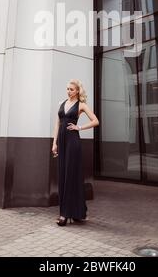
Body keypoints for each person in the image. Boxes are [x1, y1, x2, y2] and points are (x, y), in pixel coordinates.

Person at [52, 79, 99, 226]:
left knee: (71, 177)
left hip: (73, 142)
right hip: (62, 142)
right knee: (63, 176)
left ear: (77, 91)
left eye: (71, 89)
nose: (68, 91)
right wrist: (54, 143)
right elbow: (57, 124)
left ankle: (65, 214)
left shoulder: (82, 105)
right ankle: (73, 212)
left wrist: (79, 128)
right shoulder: (62, 103)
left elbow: (95, 121)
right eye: (67, 89)